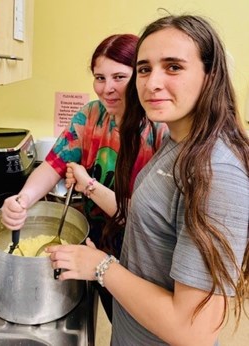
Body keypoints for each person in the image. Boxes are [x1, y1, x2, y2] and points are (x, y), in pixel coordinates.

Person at [47, 14, 249, 345]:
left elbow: (193, 332)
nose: (152, 83)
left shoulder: (217, 173)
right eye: (144, 69)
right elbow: (148, 219)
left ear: (210, 75)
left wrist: (101, 267)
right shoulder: (178, 141)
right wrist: (90, 188)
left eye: (173, 67)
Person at [0, 33, 168, 322]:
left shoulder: (158, 129)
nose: (108, 89)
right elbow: (53, 165)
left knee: (141, 325)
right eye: (99, 78)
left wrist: (88, 185)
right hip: (98, 246)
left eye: (119, 77)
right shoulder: (91, 115)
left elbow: (143, 215)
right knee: (116, 320)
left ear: (141, 76)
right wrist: (22, 200)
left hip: (141, 254)